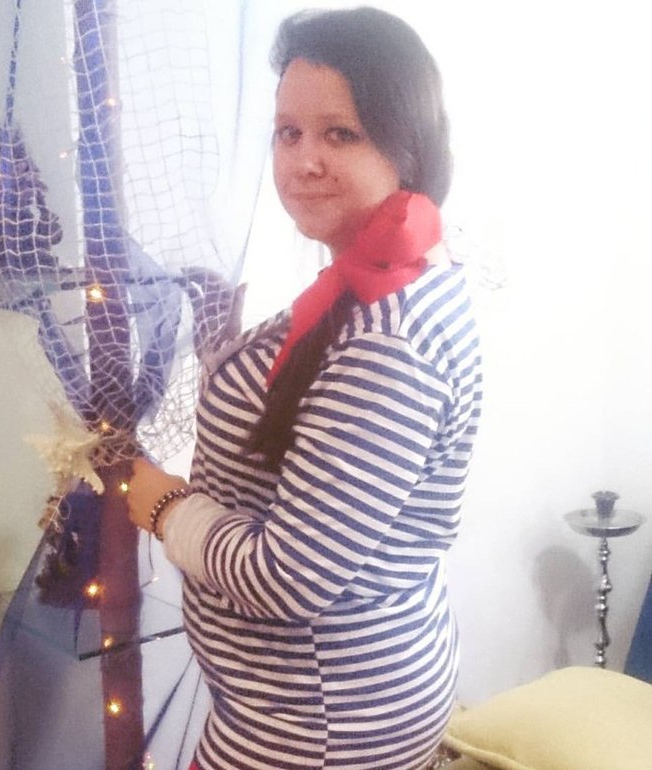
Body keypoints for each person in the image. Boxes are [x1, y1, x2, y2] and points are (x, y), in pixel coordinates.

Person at [127, 7, 483, 770]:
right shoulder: (382, 270)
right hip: (316, 694)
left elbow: (287, 578)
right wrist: (225, 340)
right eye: (288, 132)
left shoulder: (386, 338)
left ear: (408, 145)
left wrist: (161, 504)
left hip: (322, 720)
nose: (303, 160)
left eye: (340, 133)